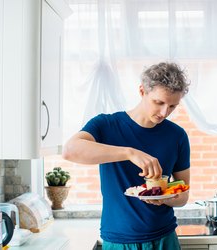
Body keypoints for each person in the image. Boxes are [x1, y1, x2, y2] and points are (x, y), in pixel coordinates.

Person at [62, 62, 191, 250]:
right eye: (159, 102)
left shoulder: (177, 136)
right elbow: (70, 150)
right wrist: (129, 152)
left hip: (165, 239)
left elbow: (183, 195)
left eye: (172, 106)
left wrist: (164, 198)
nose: (165, 112)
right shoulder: (106, 125)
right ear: (142, 91)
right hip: (119, 241)